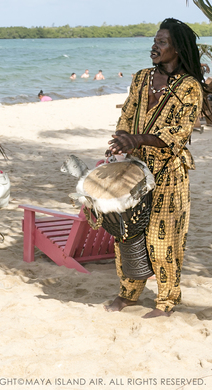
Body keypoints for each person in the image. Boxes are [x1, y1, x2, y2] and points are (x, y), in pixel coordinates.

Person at [104, 18, 209, 318]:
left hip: (167, 174)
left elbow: (178, 133)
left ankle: (166, 300)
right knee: (127, 234)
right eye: (154, 40)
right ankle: (129, 292)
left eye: (162, 42)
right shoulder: (140, 79)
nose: (155, 46)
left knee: (162, 239)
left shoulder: (189, 88)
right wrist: (118, 143)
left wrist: (137, 139)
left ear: (178, 49)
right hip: (133, 170)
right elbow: (125, 118)